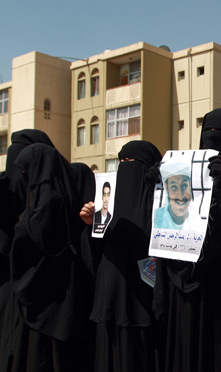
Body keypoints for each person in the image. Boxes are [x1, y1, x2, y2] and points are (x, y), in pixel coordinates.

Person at [154, 108, 221, 372]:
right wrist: (156, 188)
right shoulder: (189, 177)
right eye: (208, 135)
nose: (214, 143)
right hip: (186, 290)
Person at [7, 143, 92, 371]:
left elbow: (28, 241)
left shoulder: (46, 204)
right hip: (65, 301)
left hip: (45, 304)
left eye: (26, 172)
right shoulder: (67, 198)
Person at [80, 140, 163, 372]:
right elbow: (95, 254)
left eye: (132, 162)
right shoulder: (109, 202)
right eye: (122, 162)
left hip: (142, 301)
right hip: (110, 298)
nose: (126, 168)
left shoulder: (159, 205)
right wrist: (90, 225)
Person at [153, 158, 203, 231]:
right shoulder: (156, 218)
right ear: (166, 188)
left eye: (184, 186)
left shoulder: (197, 219)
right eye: (174, 187)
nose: (180, 196)